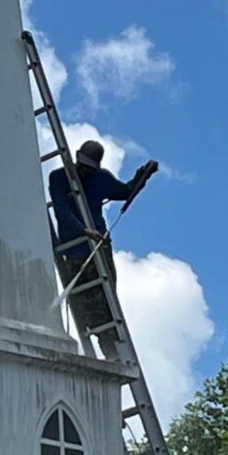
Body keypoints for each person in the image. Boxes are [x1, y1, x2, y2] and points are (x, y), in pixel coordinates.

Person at [48, 139, 157, 358]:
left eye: (90, 167)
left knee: (105, 302)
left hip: (98, 249)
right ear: (77, 157)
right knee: (83, 304)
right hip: (74, 251)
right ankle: (97, 346)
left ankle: (112, 349)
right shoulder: (59, 178)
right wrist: (84, 231)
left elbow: (126, 191)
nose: (86, 170)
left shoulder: (101, 178)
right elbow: (61, 211)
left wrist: (143, 175)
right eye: (84, 165)